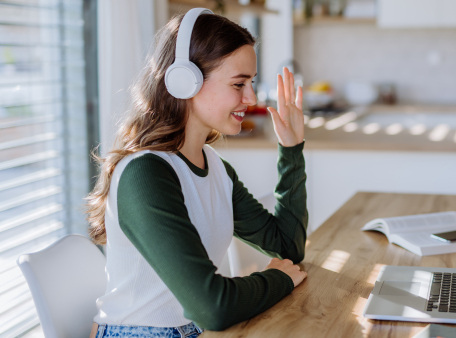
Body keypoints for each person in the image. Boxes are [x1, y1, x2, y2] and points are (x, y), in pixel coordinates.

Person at [86, 9, 307, 338]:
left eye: (251, 83)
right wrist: (278, 278)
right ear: (185, 80)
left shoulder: (215, 166)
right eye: (238, 84)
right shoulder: (144, 175)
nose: (251, 97)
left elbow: (288, 247)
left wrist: (291, 148)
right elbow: (212, 306)